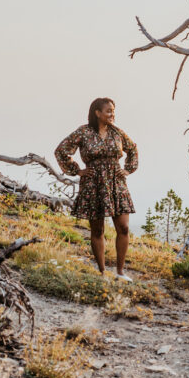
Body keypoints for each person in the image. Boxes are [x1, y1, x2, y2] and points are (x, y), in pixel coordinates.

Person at [55, 97, 138, 281]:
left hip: (117, 183)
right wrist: (77, 171)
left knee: (123, 227)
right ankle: (102, 272)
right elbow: (61, 150)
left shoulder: (117, 133)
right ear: (97, 113)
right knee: (97, 230)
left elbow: (132, 149)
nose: (112, 114)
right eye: (108, 111)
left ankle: (120, 272)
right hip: (93, 184)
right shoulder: (83, 132)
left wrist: (127, 169)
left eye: (113, 111)